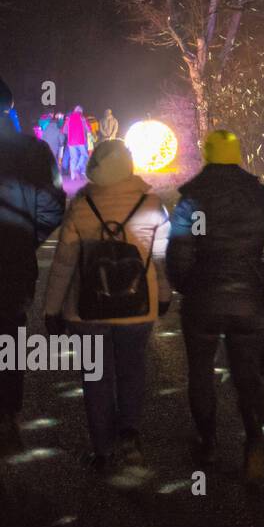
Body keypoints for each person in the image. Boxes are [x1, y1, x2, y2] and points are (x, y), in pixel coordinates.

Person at [166, 130, 264, 482]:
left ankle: (208, 442)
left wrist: (188, 286)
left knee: (201, 373)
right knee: (247, 375)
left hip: (203, 299)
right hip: (249, 299)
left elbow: (178, 252)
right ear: (237, 154)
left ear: (207, 155)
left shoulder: (192, 198)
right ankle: (254, 444)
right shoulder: (261, 195)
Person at [42, 140, 169, 470]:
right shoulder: (151, 203)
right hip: (138, 305)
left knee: (96, 376)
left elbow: (64, 264)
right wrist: (165, 295)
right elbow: (160, 258)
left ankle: (103, 451)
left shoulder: (82, 206)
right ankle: (129, 434)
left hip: (89, 308)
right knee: (132, 370)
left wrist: (52, 309)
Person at [0, 78, 66, 455]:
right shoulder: (34, 151)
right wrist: (27, 237)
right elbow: (53, 206)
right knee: (9, 336)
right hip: (13, 262)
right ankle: (8, 414)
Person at [65, 106, 90, 180]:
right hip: (81, 140)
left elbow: (65, 131)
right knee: (84, 155)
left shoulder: (69, 118)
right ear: (81, 111)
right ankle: (78, 168)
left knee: (73, 158)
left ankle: (73, 177)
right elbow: (88, 129)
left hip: (71, 141)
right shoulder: (82, 118)